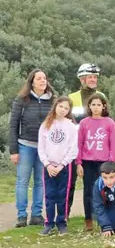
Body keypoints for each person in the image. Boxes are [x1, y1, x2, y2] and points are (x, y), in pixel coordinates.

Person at [10, 69, 55, 227]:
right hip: (25, 146)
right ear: (32, 81)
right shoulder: (22, 100)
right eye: (39, 78)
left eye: (44, 78)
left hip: (44, 148)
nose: (43, 81)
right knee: (22, 181)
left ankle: (36, 215)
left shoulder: (52, 100)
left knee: (40, 182)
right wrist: (13, 150)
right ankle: (21, 216)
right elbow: (13, 125)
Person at [77, 93, 115, 232]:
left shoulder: (109, 122)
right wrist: (78, 163)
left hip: (104, 162)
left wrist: (112, 162)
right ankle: (88, 218)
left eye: (98, 105)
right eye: (93, 104)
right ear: (89, 106)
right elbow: (79, 143)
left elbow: (113, 143)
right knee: (88, 191)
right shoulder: (84, 123)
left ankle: (104, 218)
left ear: (103, 106)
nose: (96, 107)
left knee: (105, 190)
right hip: (88, 161)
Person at [37, 96, 78, 236]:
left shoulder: (71, 127)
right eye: (61, 106)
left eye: (66, 108)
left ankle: (61, 222)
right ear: (55, 106)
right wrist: (47, 164)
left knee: (63, 195)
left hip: (64, 166)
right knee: (49, 195)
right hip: (49, 166)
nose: (63, 110)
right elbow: (41, 147)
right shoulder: (46, 125)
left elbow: (73, 149)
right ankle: (49, 223)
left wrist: (62, 164)